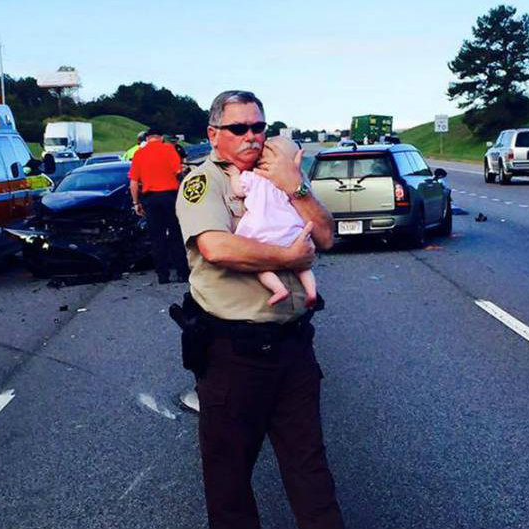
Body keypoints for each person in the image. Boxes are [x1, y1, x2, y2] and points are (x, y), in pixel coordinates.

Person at [175, 90, 344, 529]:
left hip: (293, 349)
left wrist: (297, 186)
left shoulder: (281, 175)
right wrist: (289, 259)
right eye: (238, 128)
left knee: (310, 468)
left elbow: (326, 236)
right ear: (214, 135)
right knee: (228, 479)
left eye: (258, 127)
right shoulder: (205, 181)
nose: (252, 137)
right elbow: (215, 246)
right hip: (234, 355)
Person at [226, 136, 317, 308]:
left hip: (261, 230)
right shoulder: (288, 180)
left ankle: (278, 289)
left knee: (260, 266)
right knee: (302, 266)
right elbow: (299, 186)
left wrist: (234, 174)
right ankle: (311, 291)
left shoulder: (252, 177)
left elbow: (238, 190)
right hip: (290, 229)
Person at [129, 128, 189, 284]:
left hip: (151, 199)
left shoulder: (139, 154)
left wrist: (136, 202)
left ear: (147, 138)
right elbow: (179, 172)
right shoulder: (169, 150)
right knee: (176, 235)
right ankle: (182, 272)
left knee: (157, 238)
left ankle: (163, 276)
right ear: (161, 137)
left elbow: (134, 182)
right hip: (170, 197)